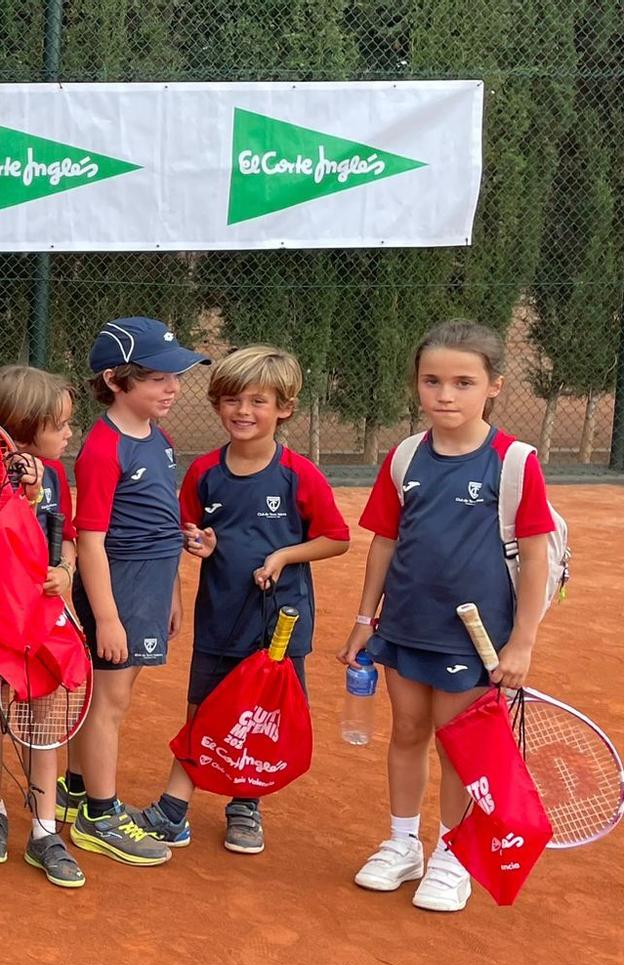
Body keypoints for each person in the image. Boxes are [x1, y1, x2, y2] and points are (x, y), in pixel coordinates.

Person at [341, 320, 556, 913]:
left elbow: (536, 556)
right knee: (406, 732)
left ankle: (452, 856)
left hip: (476, 639)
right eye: (432, 381)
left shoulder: (514, 462)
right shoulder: (405, 456)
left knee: (457, 745)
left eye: (464, 382)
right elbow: (384, 541)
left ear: (493, 386)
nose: (445, 394)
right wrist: (366, 618)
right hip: (405, 626)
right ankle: (403, 843)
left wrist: (522, 643)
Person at [132, 345, 348, 854]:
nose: (243, 412)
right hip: (219, 618)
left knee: (255, 717)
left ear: (284, 408)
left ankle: (245, 807)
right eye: (231, 400)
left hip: (278, 626)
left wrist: (285, 556)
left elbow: (336, 537)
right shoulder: (205, 472)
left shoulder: (298, 474)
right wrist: (199, 549)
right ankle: (174, 813)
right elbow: (185, 536)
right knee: (202, 712)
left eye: (257, 401)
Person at [63, 317, 205, 868]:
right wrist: (109, 618)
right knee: (109, 704)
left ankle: (77, 789)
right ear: (117, 381)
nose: (172, 387)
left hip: (149, 585)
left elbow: (163, 521)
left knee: (106, 699)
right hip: (117, 588)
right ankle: (101, 814)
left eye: (176, 375)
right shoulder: (103, 449)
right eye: (157, 378)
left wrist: (172, 590)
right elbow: (91, 542)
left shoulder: (158, 436)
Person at [0, 364, 85, 888]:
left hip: (43, 619)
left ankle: (43, 830)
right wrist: (23, 492)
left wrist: (63, 571)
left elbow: (67, 541)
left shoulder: (56, 474)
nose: (68, 434)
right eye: (59, 424)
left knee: (43, 721)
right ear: (22, 423)